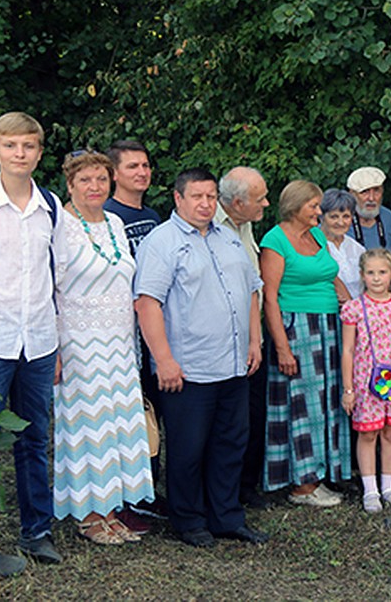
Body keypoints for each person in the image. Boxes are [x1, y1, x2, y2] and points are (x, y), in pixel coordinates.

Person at [134, 168, 267, 547]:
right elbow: (147, 303)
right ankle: (189, 520)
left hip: (234, 363)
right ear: (178, 199)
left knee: (230, 445)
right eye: (197, 196)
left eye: (211, 196)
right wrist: (164, 360)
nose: (205, 204)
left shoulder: (230, 238)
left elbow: (252, 290)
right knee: (188, 449)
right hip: (188, 367)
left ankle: (225, 516)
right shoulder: (162, 242)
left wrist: (254, 341)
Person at [0, 112, 64, 575]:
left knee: (33, 439)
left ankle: (37, 531)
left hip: (39, 342)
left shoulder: (51, 205)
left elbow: (56, 275)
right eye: (10, 146)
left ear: (39, 152)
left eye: (28, 146)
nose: (19, 154)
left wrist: (58, 340)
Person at [52, 151, 155, 546]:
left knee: (118, 426)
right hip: (79, 342)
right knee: (88, 430)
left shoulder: (113, 221)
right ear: (70, 185)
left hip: (119, 342)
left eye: (100, 179)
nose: (94, 187)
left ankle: (112, 509)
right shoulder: (61, 225)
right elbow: (51, 288)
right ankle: (88, 515)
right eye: (85, 180)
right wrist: (56, 348)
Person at [261, 180, 352, 507]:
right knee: (303, 407)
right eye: (313, 206)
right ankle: (301, 484)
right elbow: (270, 298)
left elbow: (328, 271)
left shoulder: (316, 236)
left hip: (329, 326)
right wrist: (282, 347)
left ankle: (319, 475)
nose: (319, 211)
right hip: (298, 328)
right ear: (295, 207)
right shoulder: (275, 240)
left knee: (326, 403)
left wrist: (346, 296)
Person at [103, 139, 163, 529]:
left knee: (153, 416)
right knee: (131, 416)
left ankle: (149, 493)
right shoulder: (108, 216)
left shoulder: (154, 215)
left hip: (156, 327)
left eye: (145, 166)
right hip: (123, 330)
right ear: (113, 174)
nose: (141, 173)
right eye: (132, 167)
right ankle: (126, 500)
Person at [340, 249, 391, 513]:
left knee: (390, 432)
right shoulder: (355, 309)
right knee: (368, 433)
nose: (376, 278)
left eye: (382, 272)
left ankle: (388, 486)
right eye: (371, 273)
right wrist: (349, 388)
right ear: (362, 276)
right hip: (366, 383)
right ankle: (370, 490)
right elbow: (348, 350)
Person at [215, 166, 271, 509]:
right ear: (237, 203)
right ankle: (225, 490)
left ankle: (247, 487)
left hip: (253, 335)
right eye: (260, 198)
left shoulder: (245, 223)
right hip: (223, 340)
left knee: (254, 414)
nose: (266, 203)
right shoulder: (211, 227)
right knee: (228, 421)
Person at [321, 189, 367, 298]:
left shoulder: (358, 249)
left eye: (346, 216)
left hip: (357, 310)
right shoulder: (313, 245)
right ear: (322, 217)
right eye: (334, 217)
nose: (340, 223)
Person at [347, 166, 391, 250]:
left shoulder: (388, 217)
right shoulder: (339, 220)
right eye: (364, 192)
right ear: (352, 194)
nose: (371, 198)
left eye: (376, 190)